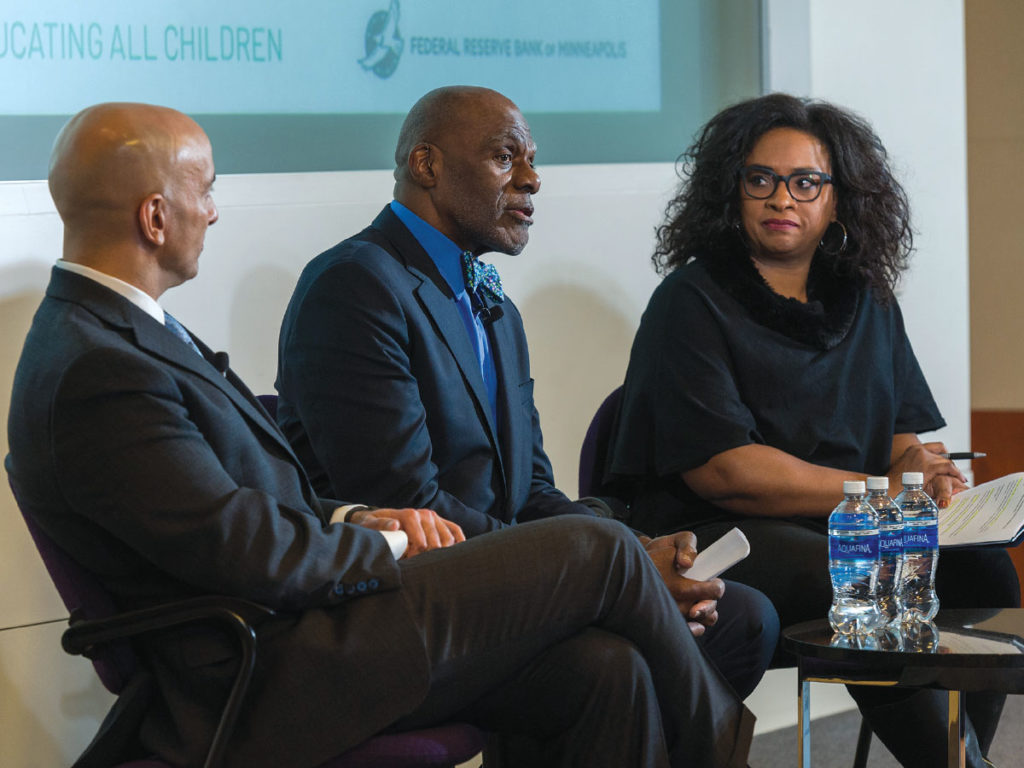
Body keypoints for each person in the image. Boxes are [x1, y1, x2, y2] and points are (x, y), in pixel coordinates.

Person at [5, 101, 758, 768]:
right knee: (597, 552)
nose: (214, 213)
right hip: (272, 666)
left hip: (317, 627)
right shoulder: (97, 367)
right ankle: (726, 753)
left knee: (606, 669)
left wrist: (354, 517)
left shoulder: (122, 336)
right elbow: (244, 551)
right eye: (205, 193)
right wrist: (390, 542)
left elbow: (243, 512)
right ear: (155, 217)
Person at [275, 85, 778, 700]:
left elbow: (531, 490)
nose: (533, 180)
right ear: (426, 165)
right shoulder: (356, 284)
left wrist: (636, 551)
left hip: (513, 576)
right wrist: (606, 570)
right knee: (611, 665)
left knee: (742, 617)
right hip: (416, 596)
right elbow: (409, 502)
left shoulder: (494, 306)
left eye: (532, 159)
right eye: (506, 157)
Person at [606, 92, 1020, 768]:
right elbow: (728, 473)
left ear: (838, 199)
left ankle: (955, 753)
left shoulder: (866, 298)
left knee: (987, 572)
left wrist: (925, 470)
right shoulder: (690, 301)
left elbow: (900, 436)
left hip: (850, 520)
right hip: (722, 531)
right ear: (732, 192)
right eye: (760, 180)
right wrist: (880, 491)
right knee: (857, 574)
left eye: (805, 183)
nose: (782, 198)